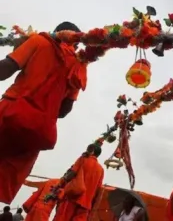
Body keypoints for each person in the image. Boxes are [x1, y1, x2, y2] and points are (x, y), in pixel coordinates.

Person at [0, 22, 87, 204]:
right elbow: (64, 111)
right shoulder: (78, 65)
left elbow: (6, 69)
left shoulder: (39, 41)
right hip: (39, 132)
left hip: (9, 115)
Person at [53, 143, 104, 221]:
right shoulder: (101, 170)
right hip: (86, 204)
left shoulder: (83, 159)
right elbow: (98, 189)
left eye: (88, 149)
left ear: (92, 151)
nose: (86, 151)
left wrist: (60, 184)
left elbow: (72, 174)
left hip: (73, 197)